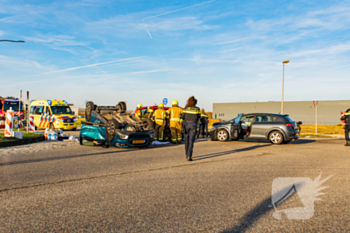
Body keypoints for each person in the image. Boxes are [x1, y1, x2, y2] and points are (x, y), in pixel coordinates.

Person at [181, 96, 201, 161]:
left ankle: (186, 154)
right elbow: (199, 118)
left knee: (186, 141)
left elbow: (182, 117)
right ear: (195, 103)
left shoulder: (186, 109)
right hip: (193, 125)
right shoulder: (197, 109)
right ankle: (189, 156)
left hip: (186, 125)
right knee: (191, 141)